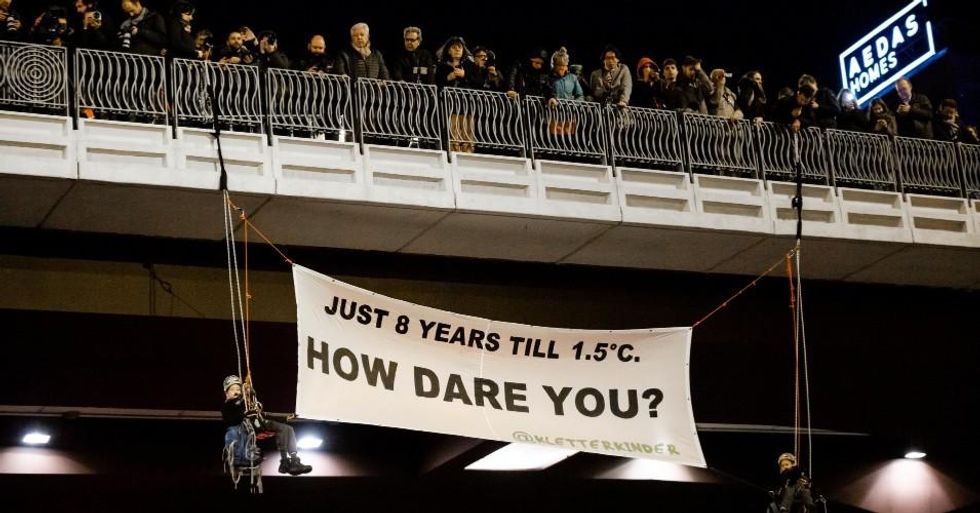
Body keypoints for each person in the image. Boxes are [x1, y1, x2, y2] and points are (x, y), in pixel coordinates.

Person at [221, 375, 312, 476]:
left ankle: (290, 461)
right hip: (248, 428)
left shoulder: (246, 403)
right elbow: (231, 421)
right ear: (226, 393)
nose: (236, 392)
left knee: (287, 429)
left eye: (238, 389)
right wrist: (243, 411)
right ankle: (243, 458)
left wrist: (285, 418)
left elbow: (264, 415)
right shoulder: (229, 406)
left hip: (260, 424)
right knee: (235, 431)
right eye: (232, 389)